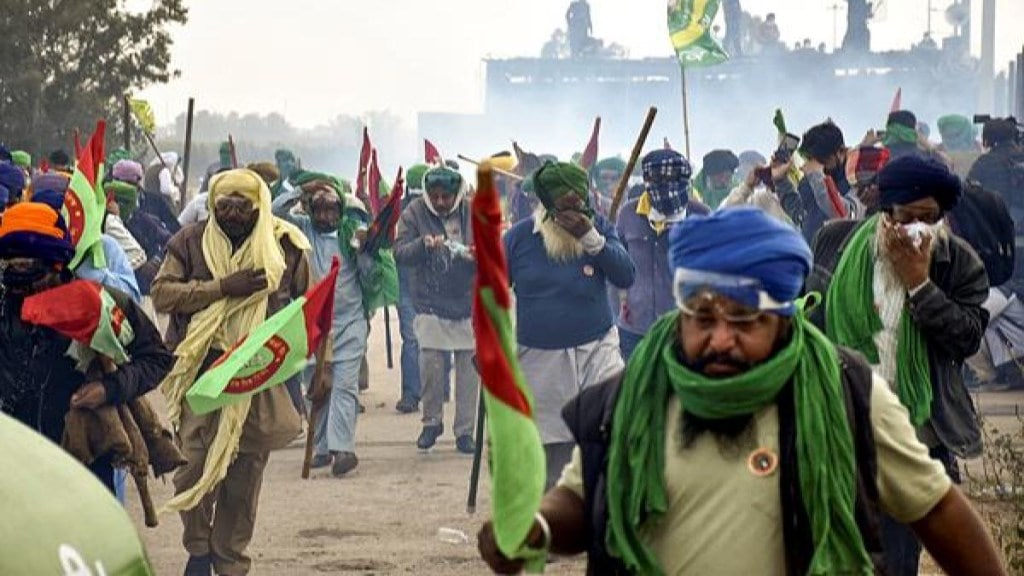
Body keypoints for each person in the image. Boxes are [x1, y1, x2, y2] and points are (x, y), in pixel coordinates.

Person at [477, 207, 1006, 576]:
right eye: (702, 318)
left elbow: (938, 511)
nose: (720, 338)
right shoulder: (634, 395)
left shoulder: (847, 394)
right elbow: (582, 498)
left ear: (782, 320)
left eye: (745, 320)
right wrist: (537, 528)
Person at [822, 155, 989, 576]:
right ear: (885, 213)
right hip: (845, 424)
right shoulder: (839, 246)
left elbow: (966, 338)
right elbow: (815, 322)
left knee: (896, 558)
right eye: (907, 217)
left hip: (916, 434)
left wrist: (919, 283)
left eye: (929, 218)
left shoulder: (958, 263)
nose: (917, 229)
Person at [151, 168, 311, 576]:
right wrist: (222, 288)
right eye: (225, 204)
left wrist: (316, 371)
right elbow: (163, 294)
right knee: (190, 468)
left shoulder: (284, 245)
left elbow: (305, 312)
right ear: (212, 204)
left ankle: (230, 562)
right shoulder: (189, 241)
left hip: (259, 377)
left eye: (243, 204)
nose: (233, 212)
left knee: (244, 478)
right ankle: (199, 548)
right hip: (201, 376)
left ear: (259, 204)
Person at [0, 202, 172, 491]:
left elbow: (156, 358)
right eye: (8, 265)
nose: (18, 278)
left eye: (26, 266)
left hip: (81, 462)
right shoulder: (4, 305)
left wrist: (110, 388)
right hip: (12, 462)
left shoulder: (99, 304)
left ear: (55, 264)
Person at [504, 161, 634, 489]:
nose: (574, 213)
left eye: (580, 204)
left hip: (597, 348)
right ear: (547, 205)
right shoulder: (518, 239)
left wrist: (591, 238)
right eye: (565, 206)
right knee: (553, 448)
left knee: (610, 424)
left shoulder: (600, 228)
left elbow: (625, 275)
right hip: (539, 358)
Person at [272, 172, 373, 476]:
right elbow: (274, 213)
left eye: (332, 209)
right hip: (313, 323)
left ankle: (343, 449)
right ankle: (321, 448)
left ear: (341, 212)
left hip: (350, 321)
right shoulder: (302, 230)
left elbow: (369, 274)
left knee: (344, 384)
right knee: (317, 385)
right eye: (319, 209)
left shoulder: (353, 234)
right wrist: (302, 189)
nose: (326, 216)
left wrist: (365, 252)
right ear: (310, 211)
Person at [394, 165, 479, 453]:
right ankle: (431, 422)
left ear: (456, 195)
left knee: (468, 371)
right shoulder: (414, 213)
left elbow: (494, 250)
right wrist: (423, 245)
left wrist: (477, 253)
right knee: (431, 365)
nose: (441, 202)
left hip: (466, 301)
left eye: (446, 197)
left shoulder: (472, 212)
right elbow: (400, 253)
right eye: (436, 196)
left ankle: (465, 432)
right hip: (429, 300)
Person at [615, 149, 708, 360]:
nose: (665, 189)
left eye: (672, 181)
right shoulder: (628, 214)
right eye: (658, 181)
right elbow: (616, 264)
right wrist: (621, 299)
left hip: (683, 326)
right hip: (635, 327)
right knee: (638, 386)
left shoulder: (700, 215)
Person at [395, 163, 429, 414]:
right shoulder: (438, 209)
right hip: (419, 286)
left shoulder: (395, 210)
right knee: (423, 340)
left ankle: (411, 394)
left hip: (412, 286)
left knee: (413, 340)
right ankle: (415, 392)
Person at [792, 120, 860, 242]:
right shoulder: (809, 181)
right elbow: (798, 213)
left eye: (823, 160)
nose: (819, 166)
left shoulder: (856, 177)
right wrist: (780, 181)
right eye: (812, 160)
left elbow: (843, 212)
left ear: (841, 152)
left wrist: (817, 177)